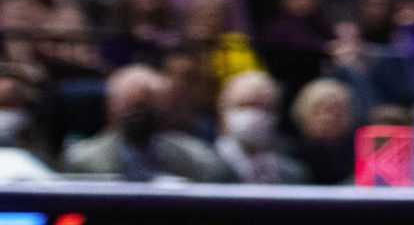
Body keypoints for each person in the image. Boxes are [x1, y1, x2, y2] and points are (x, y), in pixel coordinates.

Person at [60, 65, 230, 183]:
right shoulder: (83, 160)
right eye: (132, 106)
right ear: (111, 108)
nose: (139, 115)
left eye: (146, 105)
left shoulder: (193, 157)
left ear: (163, 107)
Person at [212, 70, 309, 185]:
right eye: (245, 105)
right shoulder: (203, 167)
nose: (254, 116)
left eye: (264, 108)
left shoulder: (293, 174)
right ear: (223, 111)